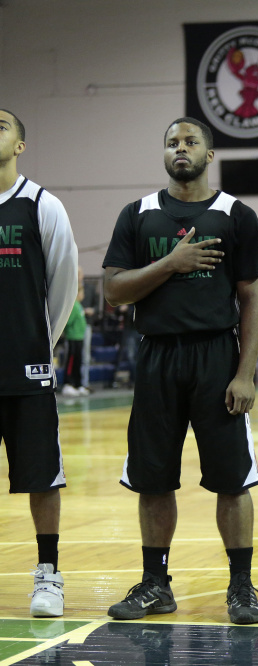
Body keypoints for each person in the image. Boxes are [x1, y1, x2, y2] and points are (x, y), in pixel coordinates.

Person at [102, 117, 258, 625]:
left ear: (209, 153)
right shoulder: (138, 214)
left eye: (191, 141)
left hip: (216, 357)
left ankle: (241, 587)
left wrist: (246, 373)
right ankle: (156, 584)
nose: (181, 148)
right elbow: (114, 289)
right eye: (172, 142)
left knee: (231, 480)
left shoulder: (235, 215)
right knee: (153, 480)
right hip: (156, 358)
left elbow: (251, 298)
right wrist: (171, 263)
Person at [0, 108, 79, 617]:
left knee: (42, 476)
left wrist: (37, 346)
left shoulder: (41, 205)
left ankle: (48, 575)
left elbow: (65, 284)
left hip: (25, 370)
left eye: (0, 125)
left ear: (20, 145)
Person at [61, 274, 89, 396]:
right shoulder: (74, 306)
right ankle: (68, 384)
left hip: (79, 338)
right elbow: (68, 321)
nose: (84, 295)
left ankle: (78, 384)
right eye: (82, 293)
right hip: (72, 338)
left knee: (78, 361)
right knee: (71, 361)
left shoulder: (79, 306)